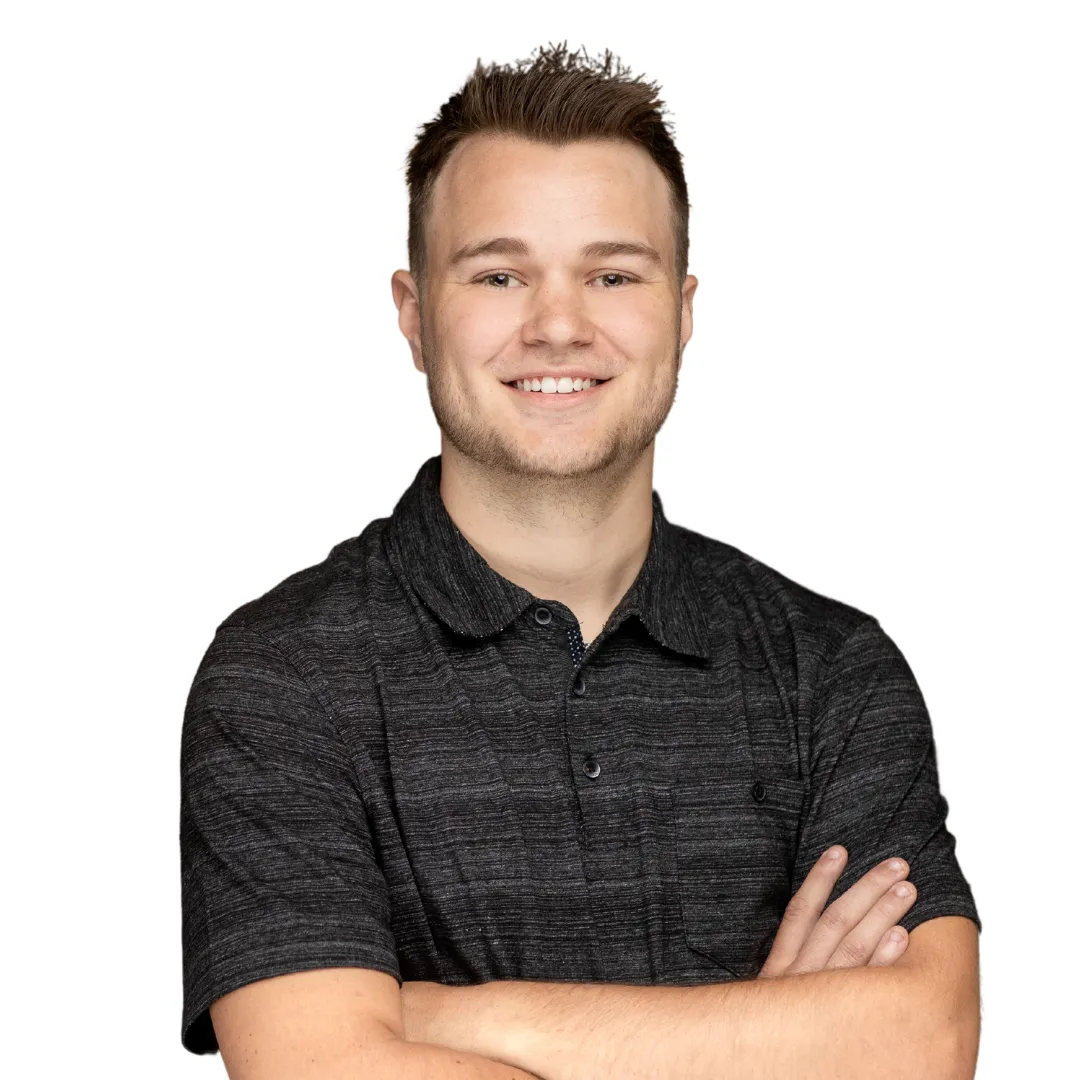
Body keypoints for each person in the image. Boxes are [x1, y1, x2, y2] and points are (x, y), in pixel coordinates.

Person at [179, 41, 981, 1078]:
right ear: (414, 316)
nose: (558, 326)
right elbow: (323, 1071)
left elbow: (925, 1041)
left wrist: (443, 1020)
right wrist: (771, 1037)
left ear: (681, 312)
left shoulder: (831, 671)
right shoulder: (281, 676)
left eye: (612, 275)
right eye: (499, 274)